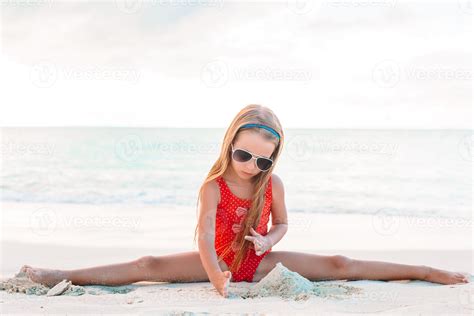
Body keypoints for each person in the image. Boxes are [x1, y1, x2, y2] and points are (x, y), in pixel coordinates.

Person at [21, 104, 470, 298]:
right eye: (242, 154)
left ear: (273, 158)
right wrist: (215, 274)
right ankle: (63, 273)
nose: (250, 165)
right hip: (213, 258)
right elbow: (203, 236)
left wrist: (267, 239)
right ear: (228, 145)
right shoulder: (212, 186)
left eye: (261, 160)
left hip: (258, 263)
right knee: (148, 266)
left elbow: (284, 226)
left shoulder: (272, 186)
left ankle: (424, 270)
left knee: (338, 261)